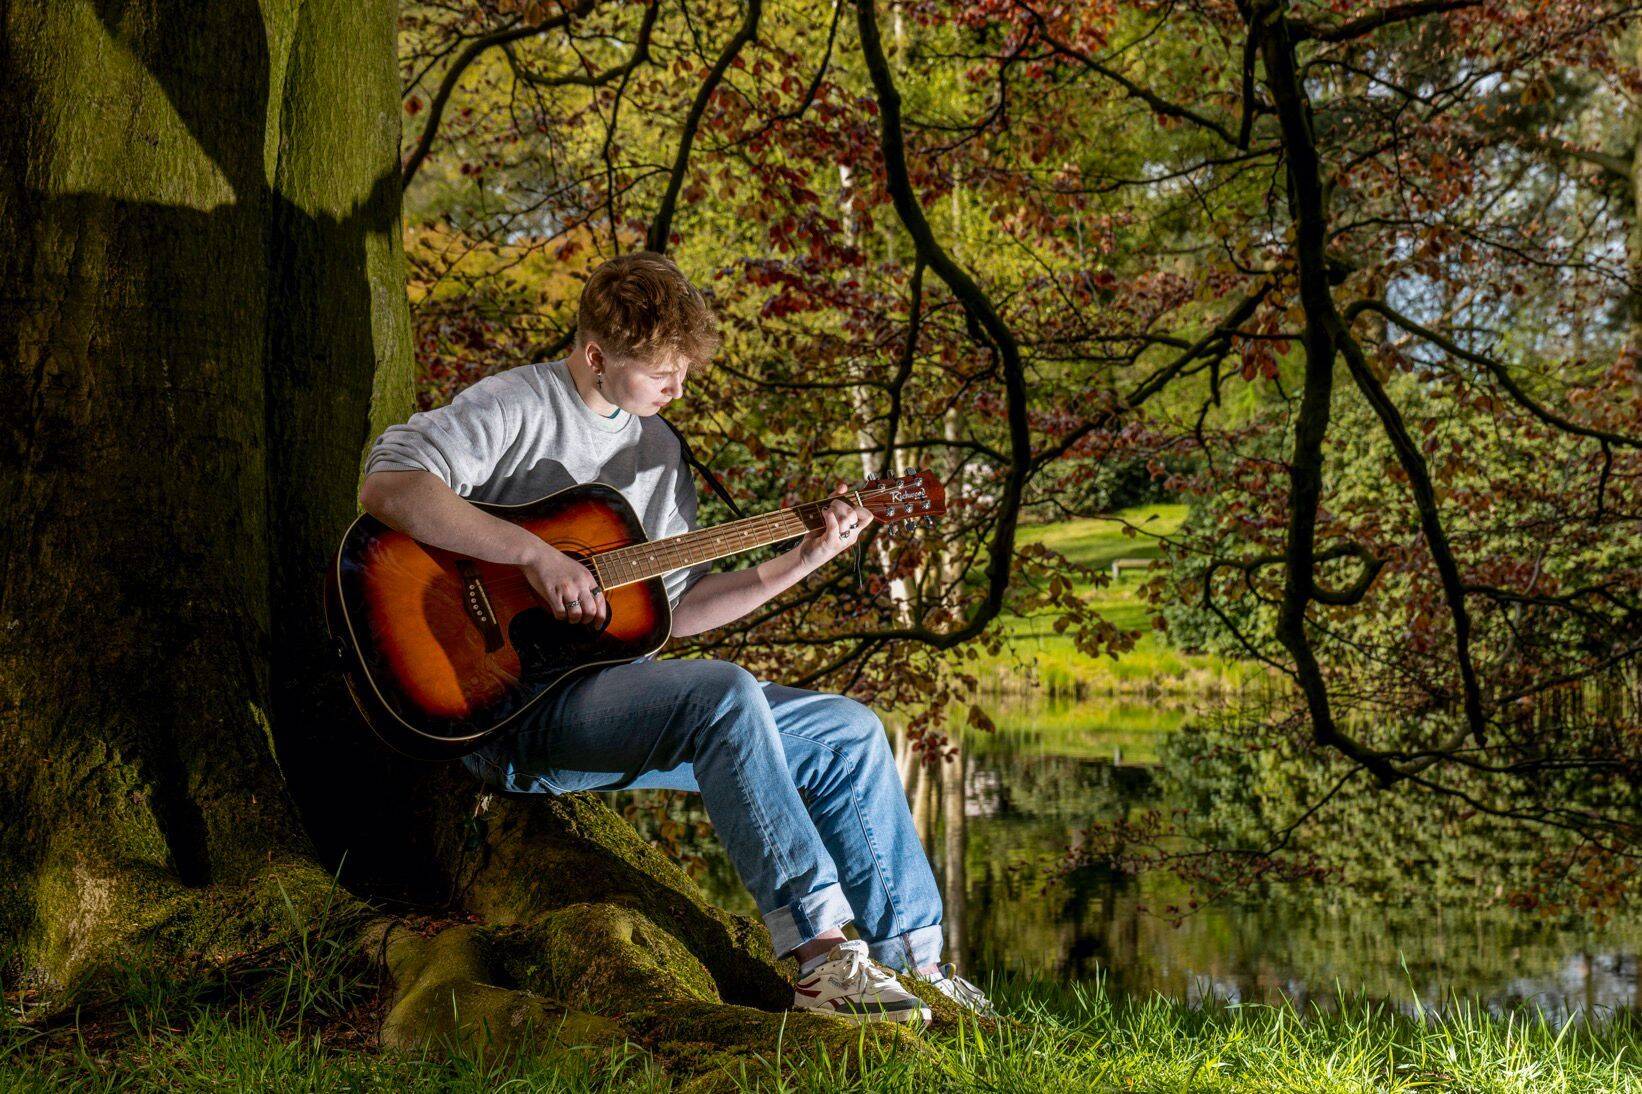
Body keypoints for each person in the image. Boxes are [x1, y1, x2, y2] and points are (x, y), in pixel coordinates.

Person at [357, 251, 991, 1024]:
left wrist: (804, 558)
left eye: (685, 370)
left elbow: (675, 613)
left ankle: (919, 966)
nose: (679, 388)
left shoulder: (658, 454)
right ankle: (822, 961)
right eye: (663, 373)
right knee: (722, 693)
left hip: (602, 694)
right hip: (502, 706)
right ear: (595, 355)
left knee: (848, 731)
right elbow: (389, 484)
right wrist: (533, 553)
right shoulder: (517, 404)